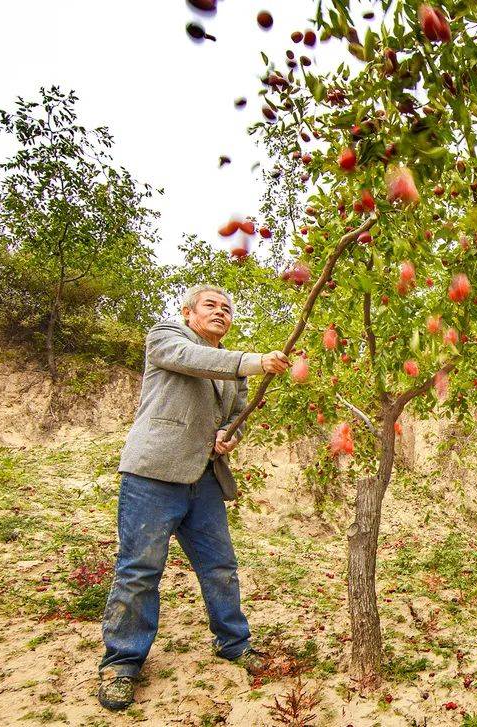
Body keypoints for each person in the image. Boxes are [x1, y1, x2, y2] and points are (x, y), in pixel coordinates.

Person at [97, 285, 291, 711]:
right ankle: (122, 663)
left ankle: (233, 643)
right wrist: (253, 362)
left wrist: (229, 435)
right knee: (139, 570)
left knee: (220, 566)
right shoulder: (167, 337)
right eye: (211, 306)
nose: (220, 312)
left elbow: (236, 418)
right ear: (188, 314)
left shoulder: (232, 371)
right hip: (153, 473)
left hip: (202, 478)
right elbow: (194, 360)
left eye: (227, 308)